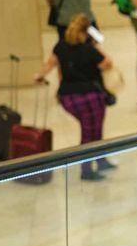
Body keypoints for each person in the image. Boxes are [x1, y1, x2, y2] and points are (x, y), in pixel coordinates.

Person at [32, 14, 115, 180]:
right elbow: (107, 64)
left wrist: (38, 76)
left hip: (68, 99)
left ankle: (100, 160)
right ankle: (86, 170)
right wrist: (96, 45)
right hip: (90, 97)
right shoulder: (89, 49)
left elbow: (49, 64)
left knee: (92, 129)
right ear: (87, 31)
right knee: (91, 132)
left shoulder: (61, 46)